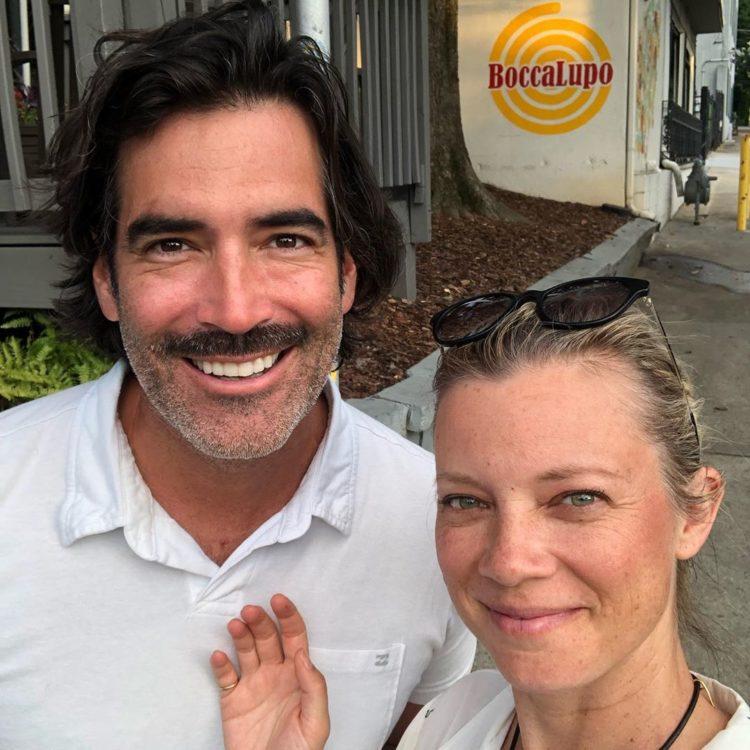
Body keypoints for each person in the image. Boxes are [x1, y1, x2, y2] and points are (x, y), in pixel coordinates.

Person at [0, 3, 475, 748]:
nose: (235, 310)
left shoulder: (437, 520)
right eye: (173, 245)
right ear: (107, 281)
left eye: (285, 239)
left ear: (347, 274)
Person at [208, 277, 750, 749]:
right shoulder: (451, 721)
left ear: (695, 511)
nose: (509, 563)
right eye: (466, 501)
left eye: (578, 498)